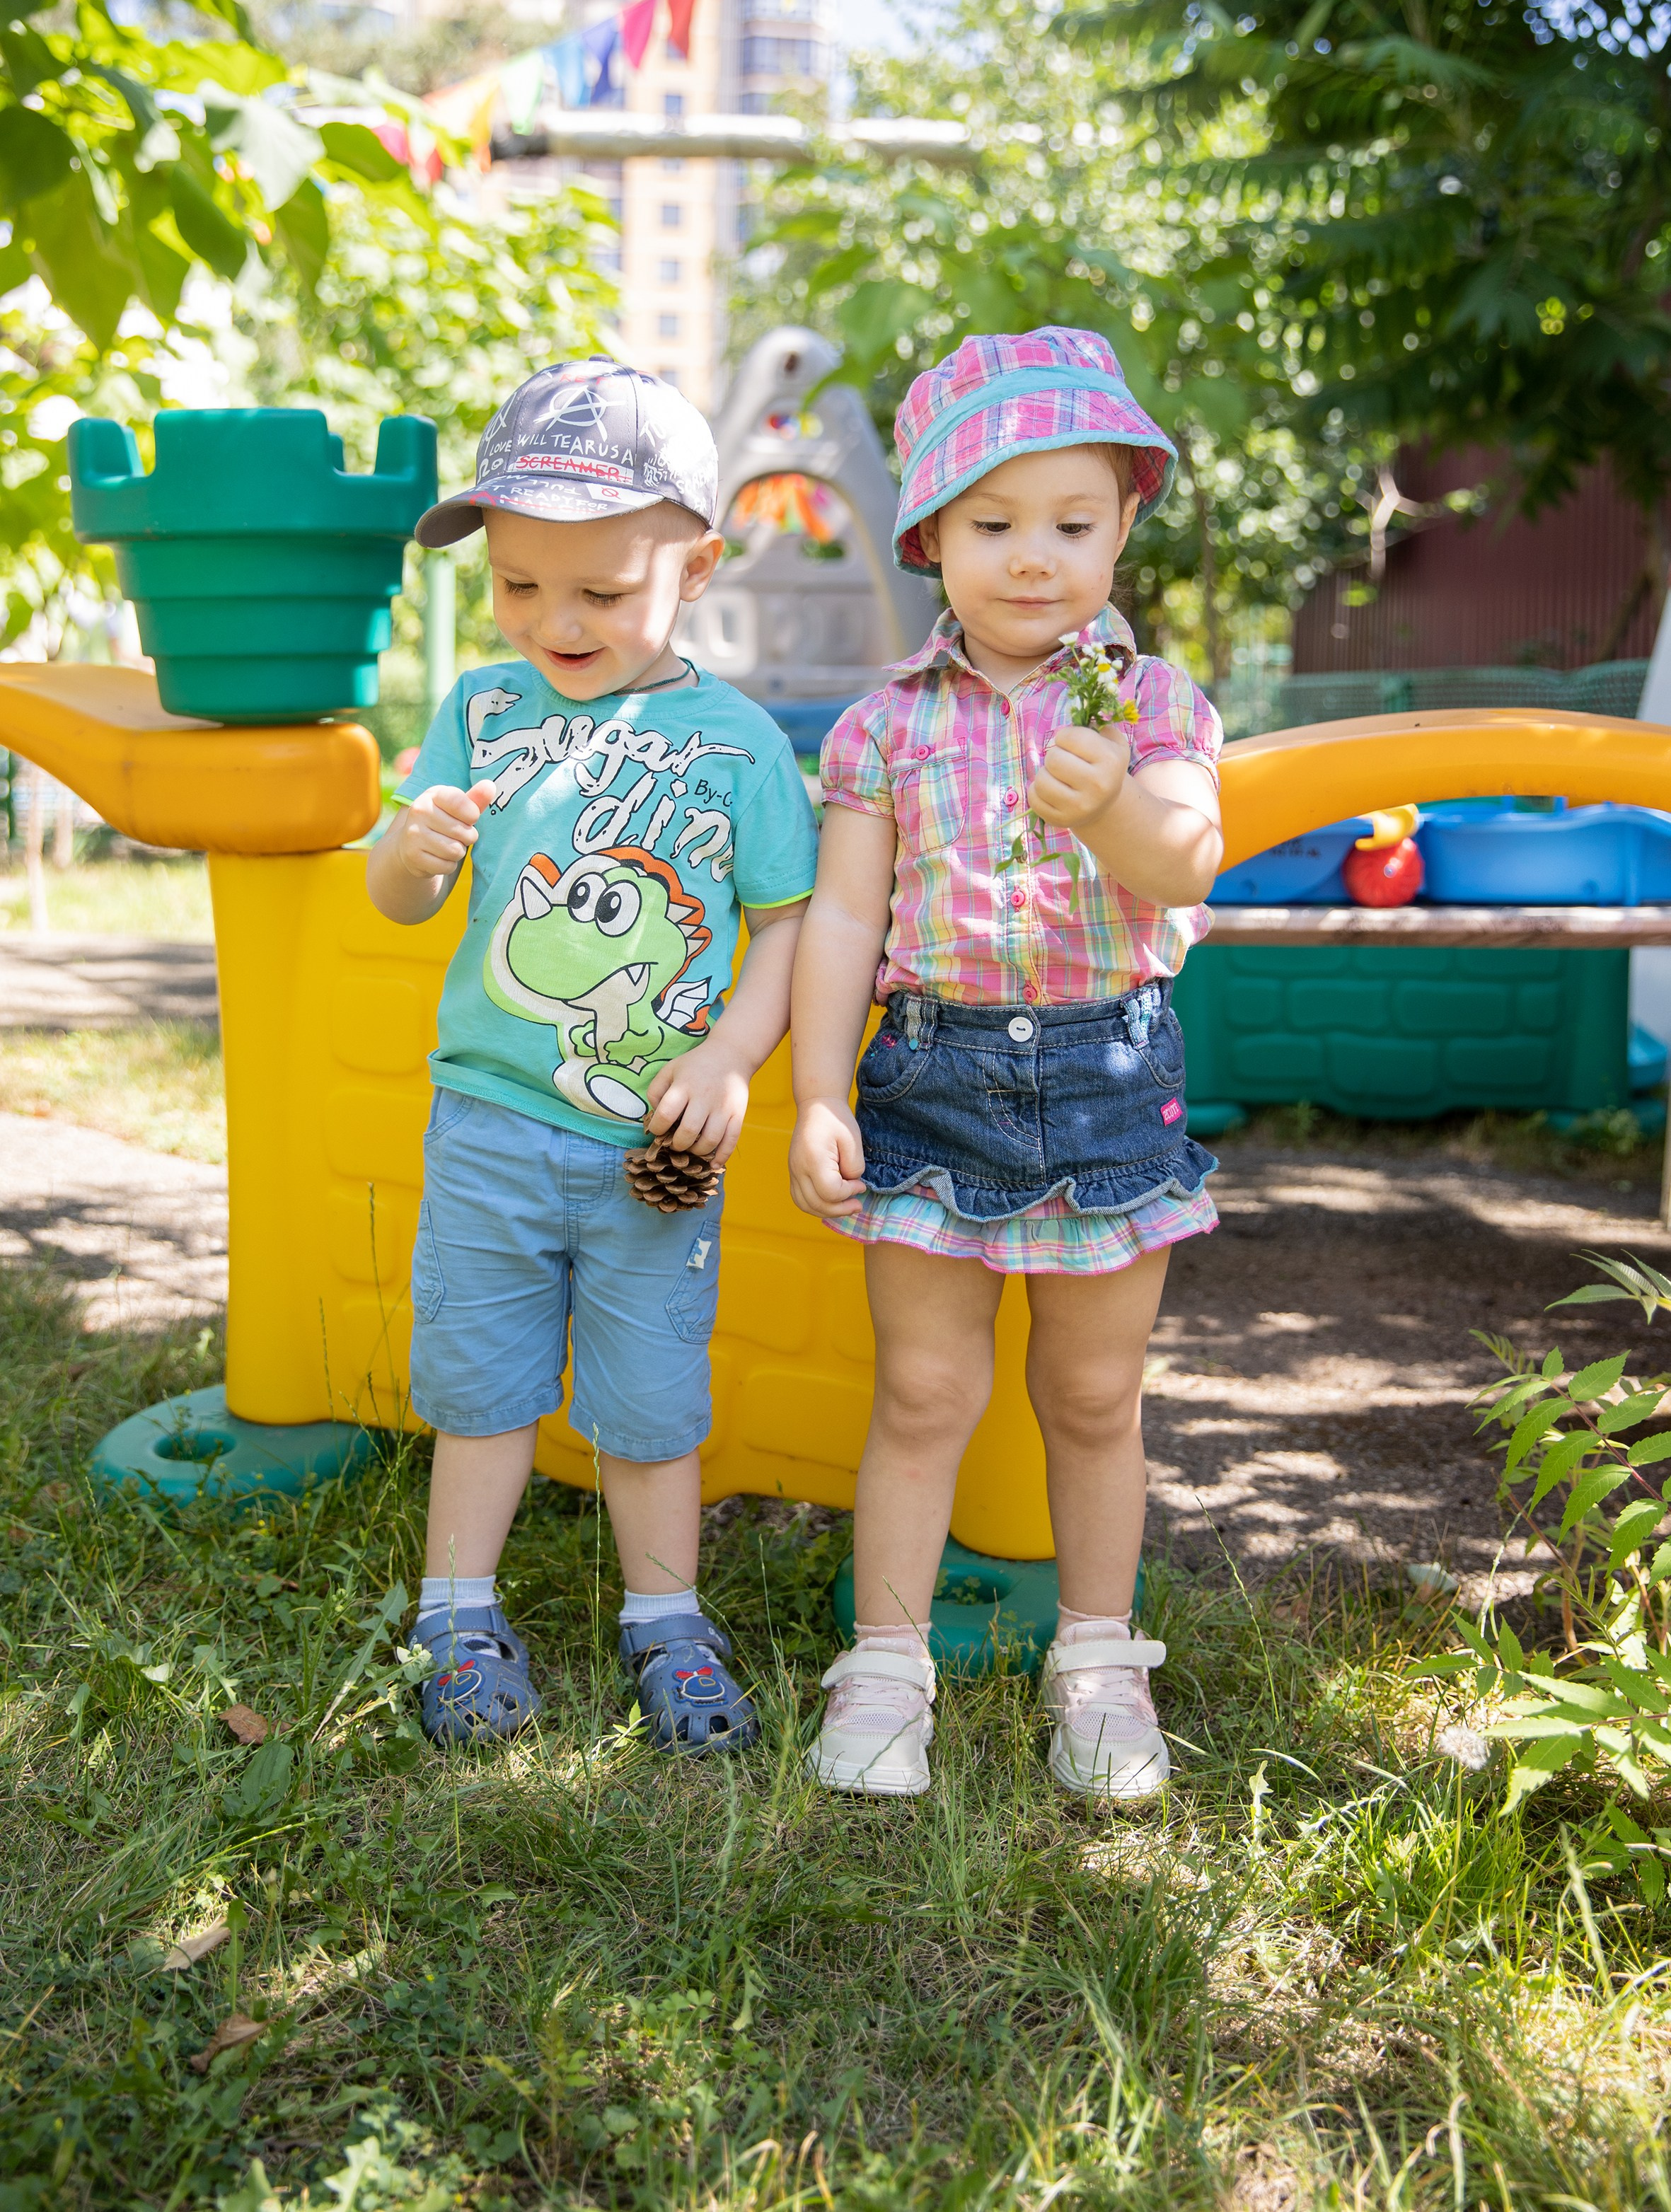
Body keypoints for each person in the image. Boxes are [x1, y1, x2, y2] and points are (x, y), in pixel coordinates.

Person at [787, 327, 1223, 1801]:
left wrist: (1109, 809)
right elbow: (843, 916)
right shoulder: (884, 725)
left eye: (1071, 524)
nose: (1033, 556)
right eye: (992, 524)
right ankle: (885, 1664)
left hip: (1110, 1077)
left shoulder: (1149, 704)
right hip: (931, 1080)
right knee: (921, 1392)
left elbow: (1184, 859)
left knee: (1094, 1397)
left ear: (1121, 528)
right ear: (928, 536)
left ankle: (1098, 1662)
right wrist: (816, 1088)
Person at [369, 358, 819, 1754]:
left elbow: (786, 921)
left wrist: (733, 1053)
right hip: (489, 1126)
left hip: (650, 1151)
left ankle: (665, 1621)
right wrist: (410, 848)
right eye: (518, 584)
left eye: (602, 591)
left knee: (650, 1397)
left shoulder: (738, 745)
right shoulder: (480, 712)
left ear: (698, 564)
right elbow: (399, 898)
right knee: (481, 1383)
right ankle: (455, 1612)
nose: (554, 620)